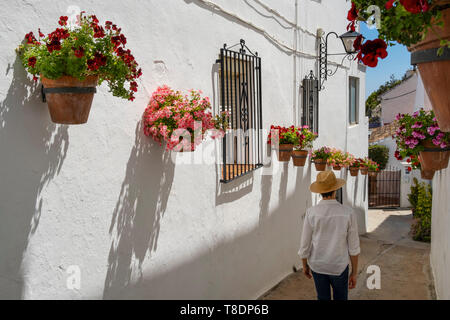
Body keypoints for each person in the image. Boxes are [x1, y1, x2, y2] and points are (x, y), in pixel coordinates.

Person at [298, 170, 360, 300]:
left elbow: (305, 244)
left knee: (322, 297)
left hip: (317, 265)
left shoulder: (311, 212)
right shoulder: (348, 213)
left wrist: (304, 265)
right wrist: (354, 273)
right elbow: (354, 247)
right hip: (339, 266)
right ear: (335, 190)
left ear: (320, 192)